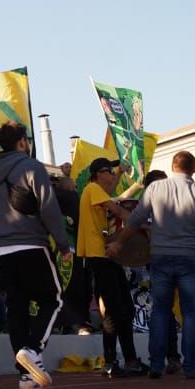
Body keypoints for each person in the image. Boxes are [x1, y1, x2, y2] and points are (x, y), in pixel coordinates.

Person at [109, 150, 195, 380]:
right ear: (193, 170)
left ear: (173, 167)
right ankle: (191, 366)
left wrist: (119, 243)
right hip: (191, 258)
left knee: (160, 310)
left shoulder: (155, 189)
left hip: (160, 257)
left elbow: (135, 219)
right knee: (191, 312)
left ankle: (156, 364)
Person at [0, 122, 73, 389]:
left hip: (0, 250)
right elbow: (49, 207)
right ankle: (33, 349)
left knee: (16, 307)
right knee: (53, 299)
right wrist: (63, 244)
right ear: (22, 142)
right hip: (31, 244)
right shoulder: (31, 167)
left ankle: (26, 376)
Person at [77, 157, 144, 376]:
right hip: (99, 255)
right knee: (115, 310)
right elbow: (119, 210)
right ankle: (112, 362)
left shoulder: (97, 190)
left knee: (124, 309)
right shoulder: (92, 189)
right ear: (98, 174)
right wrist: (143, 225)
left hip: (106, 255)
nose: (113, 174)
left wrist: (121, 172)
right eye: (110, 171)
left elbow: (110, 192)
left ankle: (128, 360)